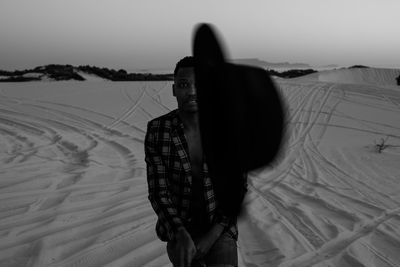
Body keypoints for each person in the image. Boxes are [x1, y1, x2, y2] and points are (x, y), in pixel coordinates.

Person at [145, 56, 246, 266]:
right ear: (174, 90)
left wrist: (212, 236)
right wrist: (180, 233)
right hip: (178, 227)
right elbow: (159, 192)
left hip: (218, 226)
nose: (191, 91)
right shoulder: (158, 130)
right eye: (184, 85)